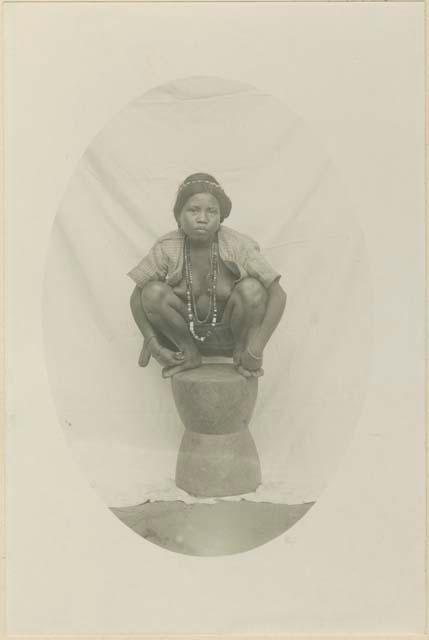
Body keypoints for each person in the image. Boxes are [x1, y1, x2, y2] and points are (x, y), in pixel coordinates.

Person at [128, 173, 287, 378]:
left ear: (221, 217)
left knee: (253, 289)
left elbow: (278, 294)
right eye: (193, 210)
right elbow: (137, 297)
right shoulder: (167, 247)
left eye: (211, 211)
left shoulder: (238, 245)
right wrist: (153, 343)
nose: (202, 218)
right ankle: (189, 354)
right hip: (185, 336)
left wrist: (255, 349)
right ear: (178, 216)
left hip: (231, 336)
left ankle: (240, 352)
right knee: (151, 292)